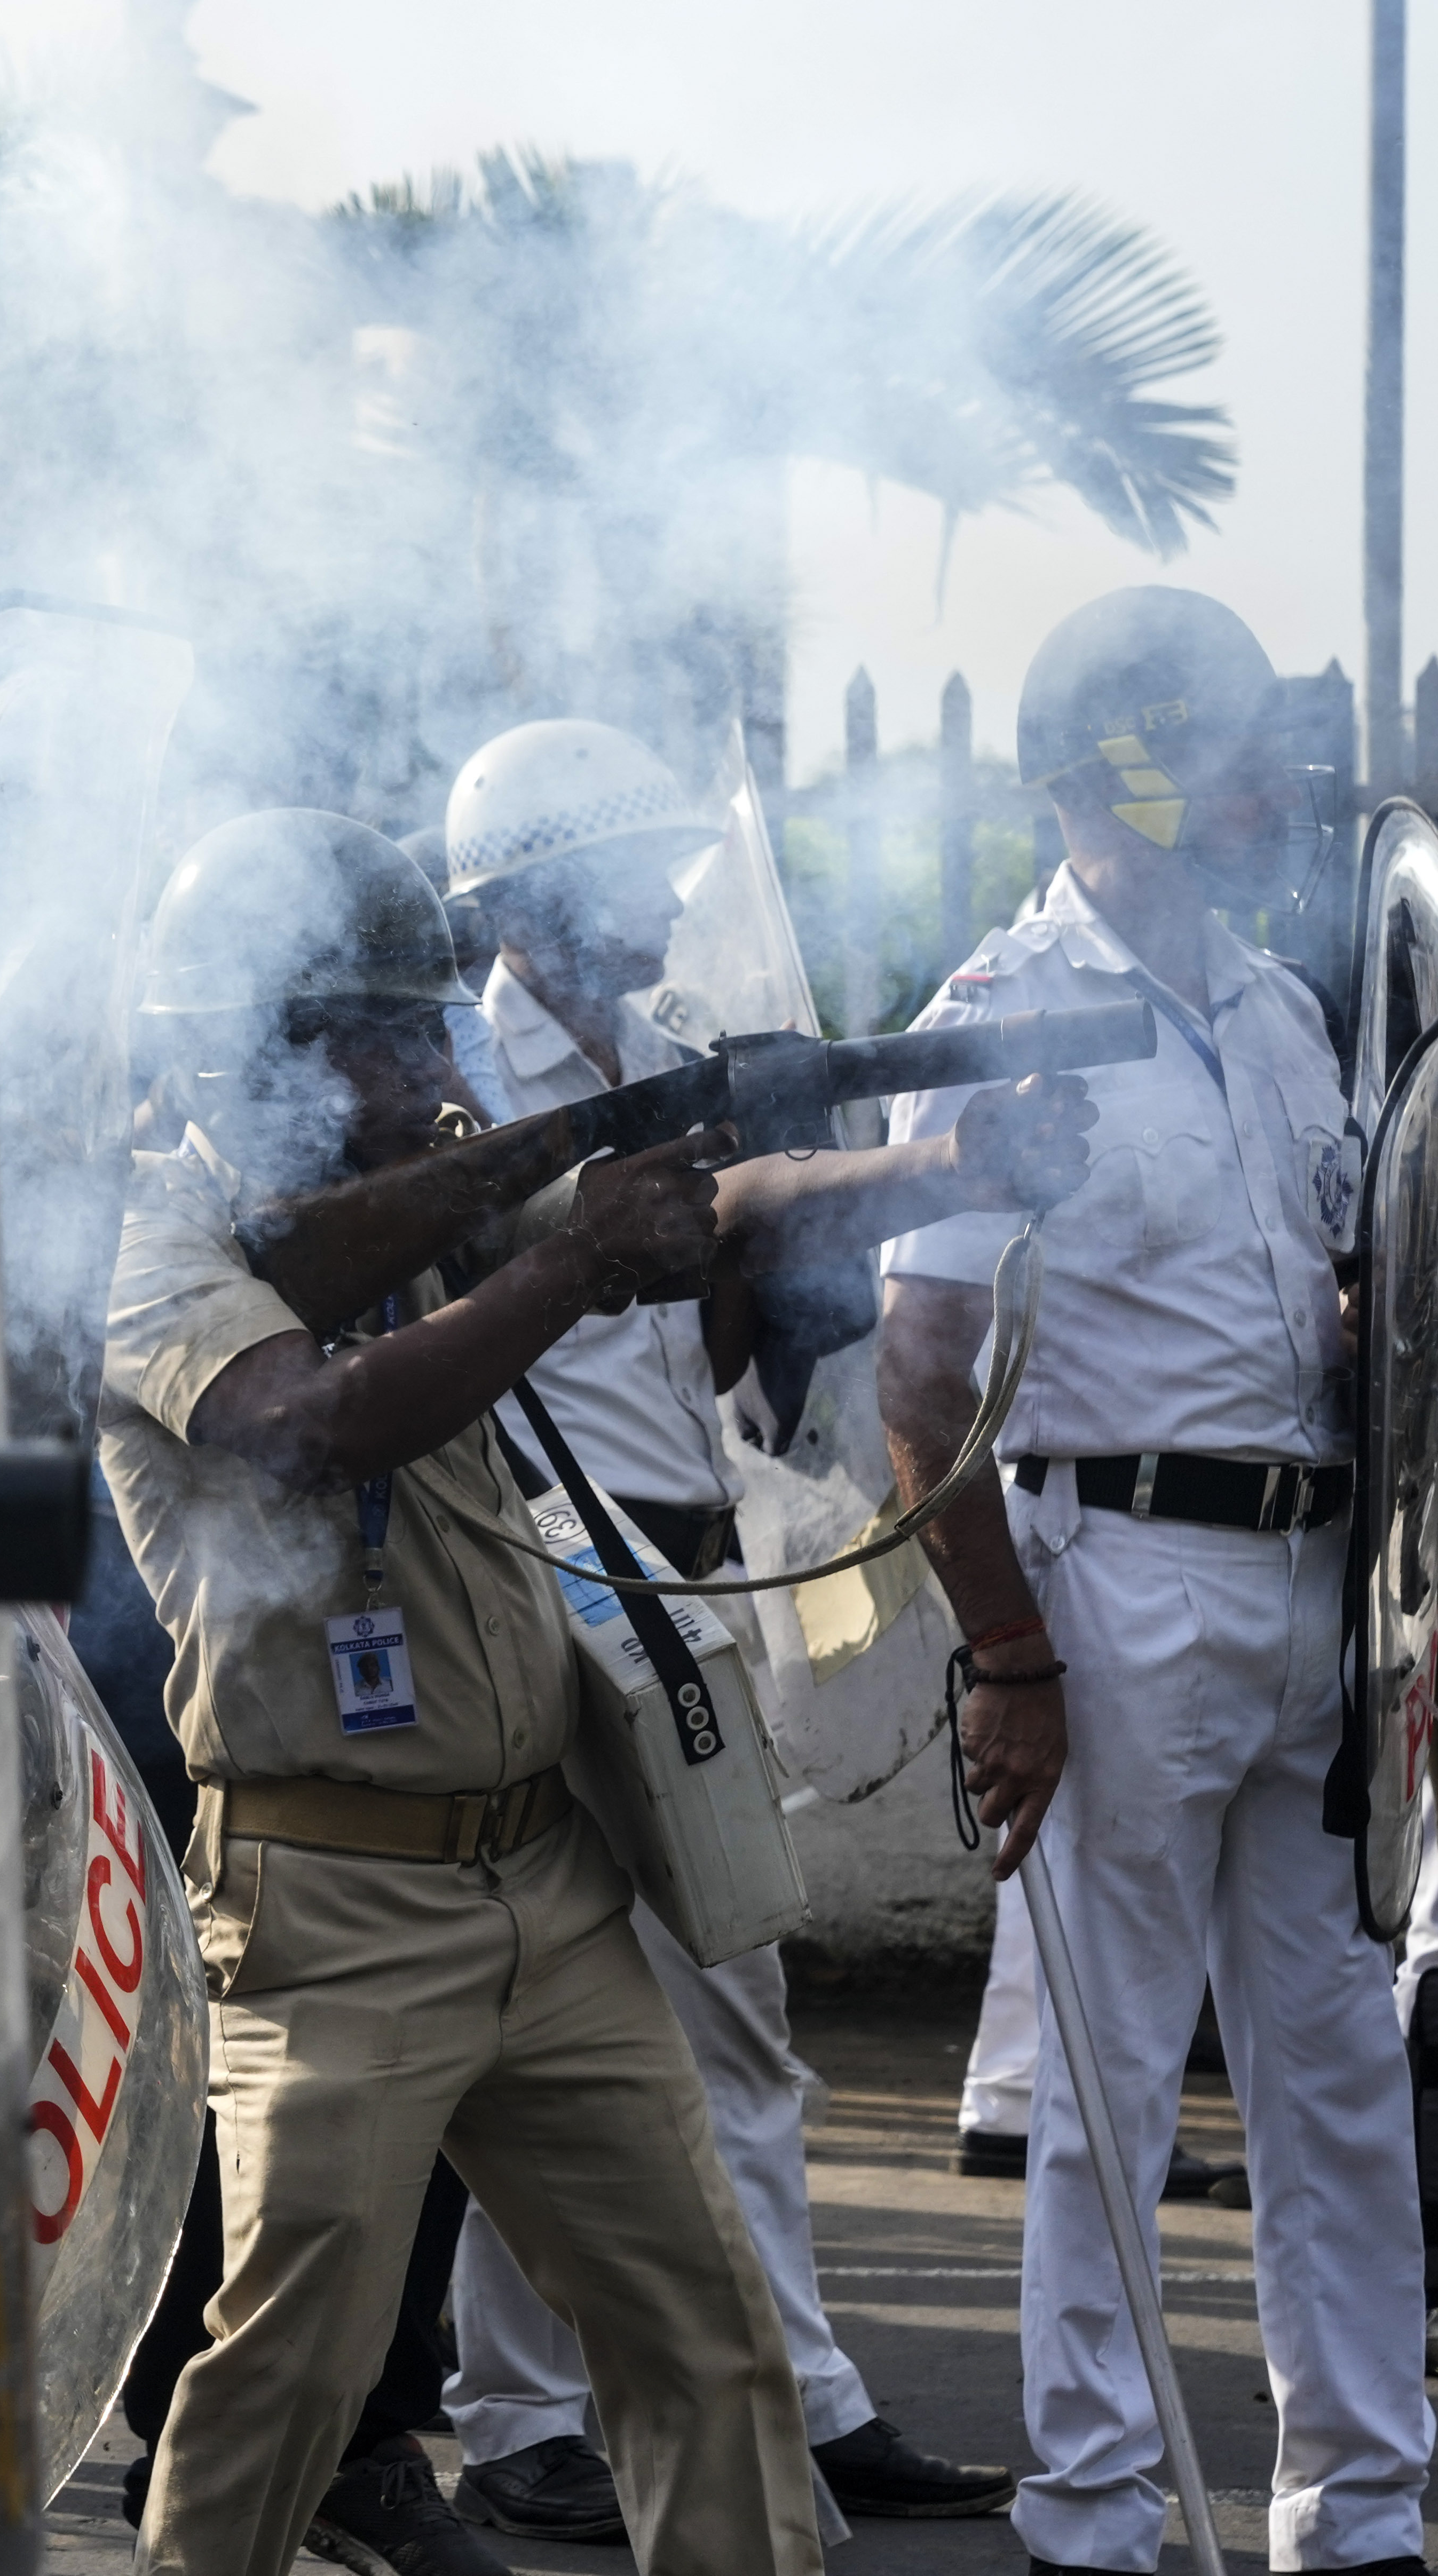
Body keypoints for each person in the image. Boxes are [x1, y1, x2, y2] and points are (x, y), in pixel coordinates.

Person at [106, 807, 1094, 2576]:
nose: (429, 1063)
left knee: (709, 2344)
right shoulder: (162, 1250)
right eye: (376, 1032)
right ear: (242, 1047)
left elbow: (715, 1219)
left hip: (546, 1886)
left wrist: (947, 1166)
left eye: (426, 1025)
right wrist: (569, 1265)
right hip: (333, 1904)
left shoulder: (445, 1183)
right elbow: (308, 1423)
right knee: (289, 2383)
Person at [879, 585, 1431, 2576]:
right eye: (1201, 743)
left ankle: (1359, 2505)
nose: (1248, 777)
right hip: (1108, 1579)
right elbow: (918, 1381)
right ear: (1102, 778)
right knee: (1107, 2084)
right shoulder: (1001, 1009)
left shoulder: (1282, 1012)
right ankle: (1097, 2515)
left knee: (1339, 2073)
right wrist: (1005, 1652)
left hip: (1305, 1593)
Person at [423, 717, 1017, 2541]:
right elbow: (720, 1212)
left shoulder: (673, 1056)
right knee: (564, 2011)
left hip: (675, 1568)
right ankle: (526, 2412)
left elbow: (718, 1324)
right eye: (622, 863)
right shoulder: (462, 1077)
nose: (663, 890)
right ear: (524, 894)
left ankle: (798, 2386)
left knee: (728, 2008)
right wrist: (906, 1177)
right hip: (546, 1575)